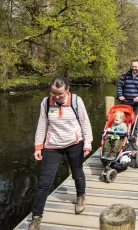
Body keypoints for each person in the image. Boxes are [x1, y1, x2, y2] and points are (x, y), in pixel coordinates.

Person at [28, 76, 93, 230]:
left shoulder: (77, 101)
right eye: (54, 94)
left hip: (74, 143)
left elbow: (85, 122)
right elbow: (42, 125)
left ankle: (80, 196)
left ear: (67, 90)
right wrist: (38, 147)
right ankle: (36, 217)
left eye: (60, 94)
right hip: (52, 145)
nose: (57, 97)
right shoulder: (45, 103)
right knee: (44, 182)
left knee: (77, 173)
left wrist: (88, 143)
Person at [117, 59, 138, 145]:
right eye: (132, 66)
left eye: (136, 66)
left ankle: (132, 141)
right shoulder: (125, 75)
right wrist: (120, 95)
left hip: (135, 103)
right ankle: (121, 139)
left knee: (135, 122)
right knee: (122, 121)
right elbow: (119, 85)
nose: (134, 68)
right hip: (124, 102)